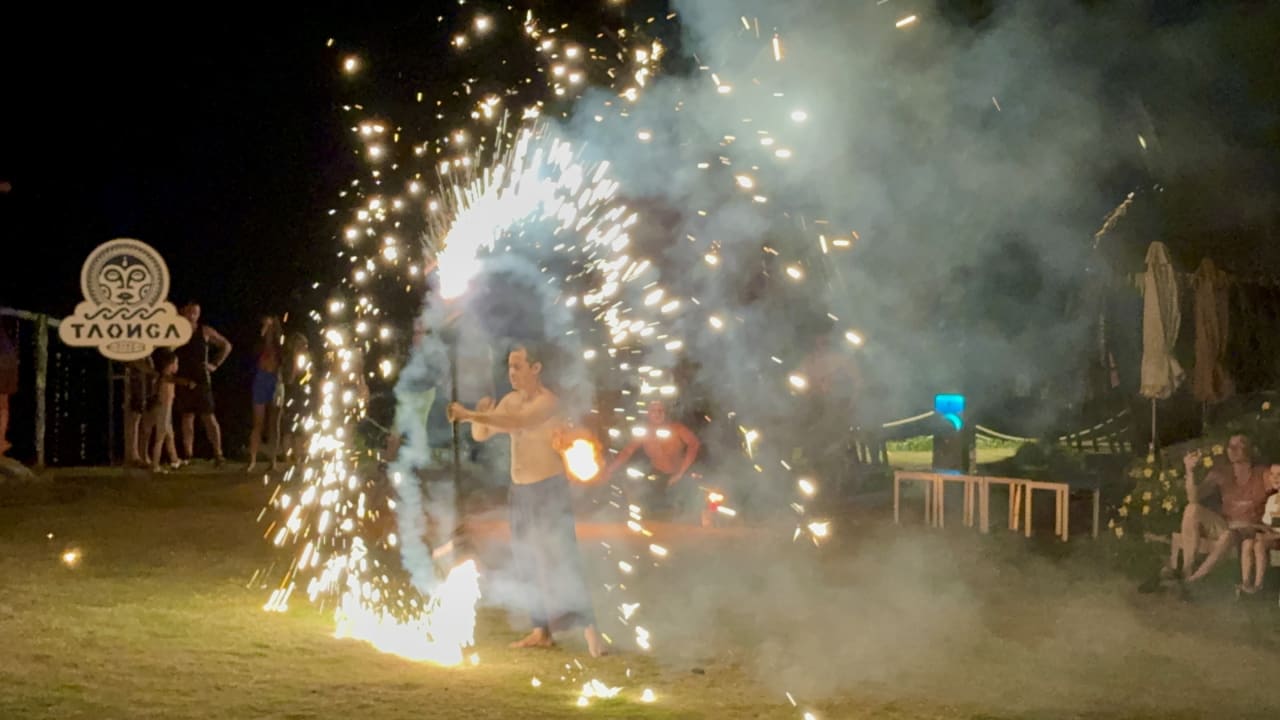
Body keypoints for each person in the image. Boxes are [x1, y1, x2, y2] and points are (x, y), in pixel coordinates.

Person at [448, 343, 603, 657]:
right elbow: (482, 434)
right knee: (526, 560)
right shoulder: (510, 401)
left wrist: (470, 414)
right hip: (520, 492)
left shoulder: (548, 402)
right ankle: (540, 631)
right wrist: (480, 416)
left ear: (536, 368)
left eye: (518, 366)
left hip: (549, 491)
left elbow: (519, 423)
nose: (512, 373)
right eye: (509, 366)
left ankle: (592, 632)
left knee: (562, 558)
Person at [1147, 435, 1272, 593]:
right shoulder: (1221, 473)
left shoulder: (1262, 474)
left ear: (1251, 449)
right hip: (1226, 524)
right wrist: (1190, 471)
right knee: (1192, 509)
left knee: (1228, 535)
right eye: (1230, 445)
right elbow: (1193, 498)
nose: (1232, 449)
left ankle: (1193, 581)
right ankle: (1187, 571)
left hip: (1249, 529)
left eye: (1239, 445)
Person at [602, 399, 701, 518]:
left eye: (660, 410)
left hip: (680, 475)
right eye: (653, 411)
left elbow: (694, 444)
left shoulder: (676, 428)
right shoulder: (644, 432)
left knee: (687, 502)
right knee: (644, 502)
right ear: (648, 414)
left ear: (665, 413)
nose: (657, 414)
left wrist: (680, 473)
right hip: (658, 476)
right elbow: (628, 451)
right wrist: (609, 470)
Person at [174, 302, 231, 465]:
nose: (192, 315)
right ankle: (188, 455)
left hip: (201, 380)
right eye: (190, 311)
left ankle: (218, 453)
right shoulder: (177, 331)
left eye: (196, 312)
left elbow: (226, 345)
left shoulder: (204, 331)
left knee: (208, 417)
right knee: (187, 417)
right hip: (183, 379)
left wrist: (215, 364)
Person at [1236, 463, 1280, 596]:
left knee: (1259, 544)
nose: (1275, 478)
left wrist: (1269, 536)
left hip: (1276, 538)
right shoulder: (1272, 500)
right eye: (1272, 474)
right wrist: (1253, 527)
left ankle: (1258, 585)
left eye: (1279, 475)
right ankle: (1246, 583)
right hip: (1272, 537)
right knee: (1247, 542)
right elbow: (1268, 525)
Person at [140, 350, 188, 472]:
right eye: (176, 363)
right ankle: (155, 465)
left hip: (163, 411)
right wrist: (187, 383)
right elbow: (174, 382)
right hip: (164, 412)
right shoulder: (165, 379)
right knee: (160, 438)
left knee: (170, 436)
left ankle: (174, 460)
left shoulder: (161, 378)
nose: (177, 366)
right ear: (170, 365)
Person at [247, 315, 283, 473]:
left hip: (276, 381)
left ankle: (273, 460)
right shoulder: (259, 344)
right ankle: (252, 460)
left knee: (274, 424)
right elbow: (254, 353)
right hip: (261, 380)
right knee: (258, 423)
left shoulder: (280, 345)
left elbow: (285, 362)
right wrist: (263, 331)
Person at [279, 332, 313, 466]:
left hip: (302, 396)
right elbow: (289, 380)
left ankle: (298, 457)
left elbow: (308, 378)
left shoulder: (306, 359)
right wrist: (294, 364)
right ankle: (288, 458)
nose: (305, 348)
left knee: (300, 429)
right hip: (291, 395)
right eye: (302, 345)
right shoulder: (288, 360)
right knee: (288, 428)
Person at [0, 322, 17, 456]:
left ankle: (0, 441)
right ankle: (1, 440)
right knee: (3, 403)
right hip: (9, 358)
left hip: (4, 359)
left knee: (3, 403)